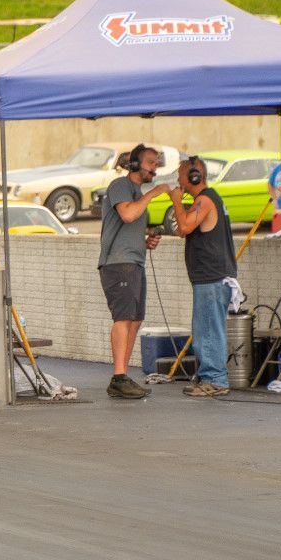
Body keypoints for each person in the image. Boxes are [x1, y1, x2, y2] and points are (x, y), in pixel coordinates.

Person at [97, 144, 168, 399]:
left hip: (134, 262)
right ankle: (118, 376)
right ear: (135, 164)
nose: (155, 168)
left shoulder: (137, 192)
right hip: (118, 264)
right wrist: (154, 193)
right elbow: (127, 214)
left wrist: (147, 239)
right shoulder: (120, 186)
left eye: (157, 163)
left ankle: (122, 377)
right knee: (123, 319)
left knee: (135, 320)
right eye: (151, 162)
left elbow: (131, 224)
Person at [168, 157, 238, 397]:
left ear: (194, 176)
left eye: (181, 175)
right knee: (204, 330)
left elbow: (185, 227)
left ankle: (215, 379)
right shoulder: (204, 200)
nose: (178, 180)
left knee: (208, 330)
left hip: (212, 277)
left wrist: (176, 200)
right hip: (209, 277)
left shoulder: (206, 200)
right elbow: (180, 229)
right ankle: (209, 376)